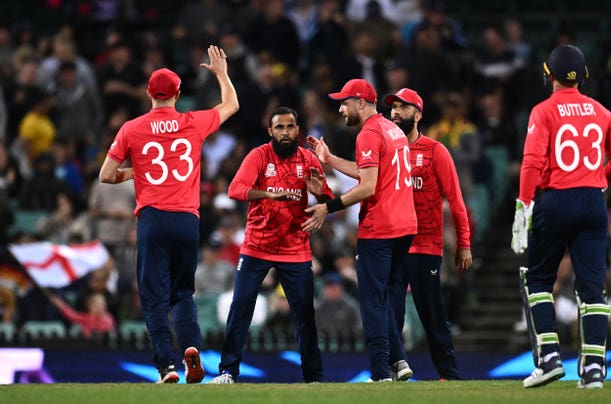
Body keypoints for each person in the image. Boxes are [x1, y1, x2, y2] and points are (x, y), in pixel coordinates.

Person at [98, 45, 239, 384]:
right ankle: (191, 346)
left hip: (152, 219)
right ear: (178, 94)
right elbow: (232, 105)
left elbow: (106, 174)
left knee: (153, 300)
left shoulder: (131, 129)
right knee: (183, 294)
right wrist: (221, 74)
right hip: (187, 220)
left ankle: (166, 366)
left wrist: (136, 171)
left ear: (149, 93)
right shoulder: (193, 122)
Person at [511, 44, 611, 389]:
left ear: (549, 74)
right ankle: (594, 369)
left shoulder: (544, 111)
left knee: (538, 280)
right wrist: (597, 181)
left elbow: (532, 161)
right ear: (584, 75)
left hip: (556, 200)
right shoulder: (602, 111)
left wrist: (524, 204)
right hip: (593, 203)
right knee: (593, 287)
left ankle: (548, 359)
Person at [209, 106, 333, 384]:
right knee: (240, 307)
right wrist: (268, 194)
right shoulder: (259, 155)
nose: (286, 132)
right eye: (280, 127)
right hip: (257, 245)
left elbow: (328, 199)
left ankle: (314, 377)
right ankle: (228, 371)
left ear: (297, 130)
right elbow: (234, 189)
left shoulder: (309, 159)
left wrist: (320, 194)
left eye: (290, 127)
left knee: (304, 314)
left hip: (295, 247)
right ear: (270, 131)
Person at [304, 79, 417, 382]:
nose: (341, 109)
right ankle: (400, 360)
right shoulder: (393, 130)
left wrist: (329, 207)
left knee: (371, 301)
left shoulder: (367, 134)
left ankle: (380, 373)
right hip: (405, 226)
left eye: (345, 102)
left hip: (380, 228)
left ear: (362, 103)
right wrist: (329, 160)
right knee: (384, 297)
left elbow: (367, 186)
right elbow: (368, 169)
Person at [384, 88, 473, 380]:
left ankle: (449, 374)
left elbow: (456, 201)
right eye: (393, 107)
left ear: (418, 114)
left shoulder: (435, 151)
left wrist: (464, 243)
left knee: (432, 314)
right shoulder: (386, 151)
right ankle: (392, 370)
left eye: (403, 108)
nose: (395, 112)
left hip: (426, 247)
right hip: (394, 247)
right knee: (390, 315)